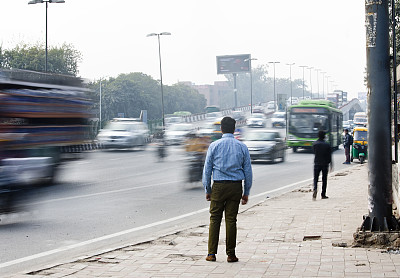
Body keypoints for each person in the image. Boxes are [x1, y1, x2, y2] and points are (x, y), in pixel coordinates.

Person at [202, 116, 253, 263]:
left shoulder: (214, 145)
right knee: (231, 220)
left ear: (221, 129)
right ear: (234, 128)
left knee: (215, 219)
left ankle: (211, 253)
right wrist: (246, 192)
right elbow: (248, 171)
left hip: (218, 186)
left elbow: (207, 170)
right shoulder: (242, 146)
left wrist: (208, 189)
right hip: (235, 186)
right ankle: (231, 254)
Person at [312, 130, 332, 200]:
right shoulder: (327, 145)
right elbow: (329, 156)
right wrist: (330, 164)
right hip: (325, 164)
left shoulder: (315, 144)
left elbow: (314, 152)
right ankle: (323, 194)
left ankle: (315, 188)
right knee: (324, 179)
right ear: (324, 136)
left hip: (317, 163)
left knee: (315, 179)